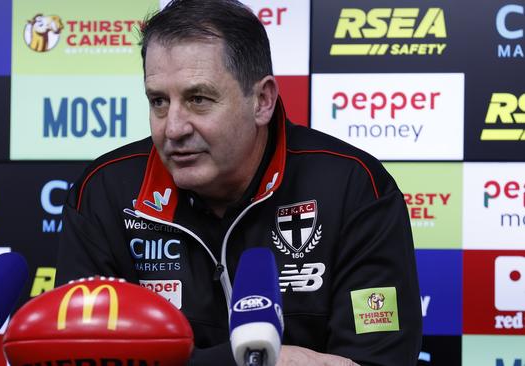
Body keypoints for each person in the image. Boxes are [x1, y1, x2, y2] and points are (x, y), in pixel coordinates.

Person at [56, 0, 422, 364]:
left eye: (198, 99)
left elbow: (379, 359)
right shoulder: (103, 193)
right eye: (159, 101)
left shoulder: (353, 188)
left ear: (262, 100)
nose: (173, 127)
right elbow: (80, 356)